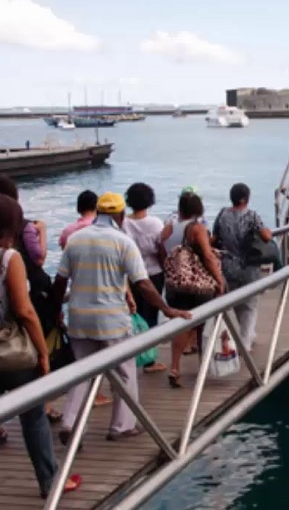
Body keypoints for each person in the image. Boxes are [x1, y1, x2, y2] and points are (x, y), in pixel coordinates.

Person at [54, 193, 191, 443]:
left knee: (80, 372)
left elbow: (60, 280)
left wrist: (55, 313)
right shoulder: (123, 242)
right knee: (125, 372)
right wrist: (167, 310)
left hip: (79, 318)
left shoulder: (75, 239)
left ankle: (70, 421)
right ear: (119, 215)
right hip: (111, 321)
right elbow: (144, 284)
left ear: (97, 212)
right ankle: (121, 426)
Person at [0, 194, 83, 498]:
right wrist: (43, 352)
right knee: (33, 415)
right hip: (11, 354)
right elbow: (24, 310)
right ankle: (50, 482)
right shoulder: (9, 258)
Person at [162, 192, 224, 387]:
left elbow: (160, 247)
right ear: (199, 209)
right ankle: (203, 367)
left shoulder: (169, 228)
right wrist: (219, 280)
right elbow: (207, 256)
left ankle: (174, 367)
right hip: (198, 286)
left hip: (175, 285)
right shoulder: (198, 228)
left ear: (180, 208)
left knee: (182, 324)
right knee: (201, 325)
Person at [212, 183, 272, 352]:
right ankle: (245, 342)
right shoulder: (251, 216)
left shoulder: (222, 214)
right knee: (249, 305)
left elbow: (214, 238)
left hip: (227, 265)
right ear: (245, 198)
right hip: (248, 267)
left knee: (237, 303)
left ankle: (248, 334)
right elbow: (266, 236)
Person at [123, 183, 167, 374]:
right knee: (151, 316)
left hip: (131, 276)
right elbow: (160, 249)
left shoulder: (123, 223)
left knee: (134, 316)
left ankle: (132, 357)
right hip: (154, 273)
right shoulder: (156, 224)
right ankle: (149, 360)